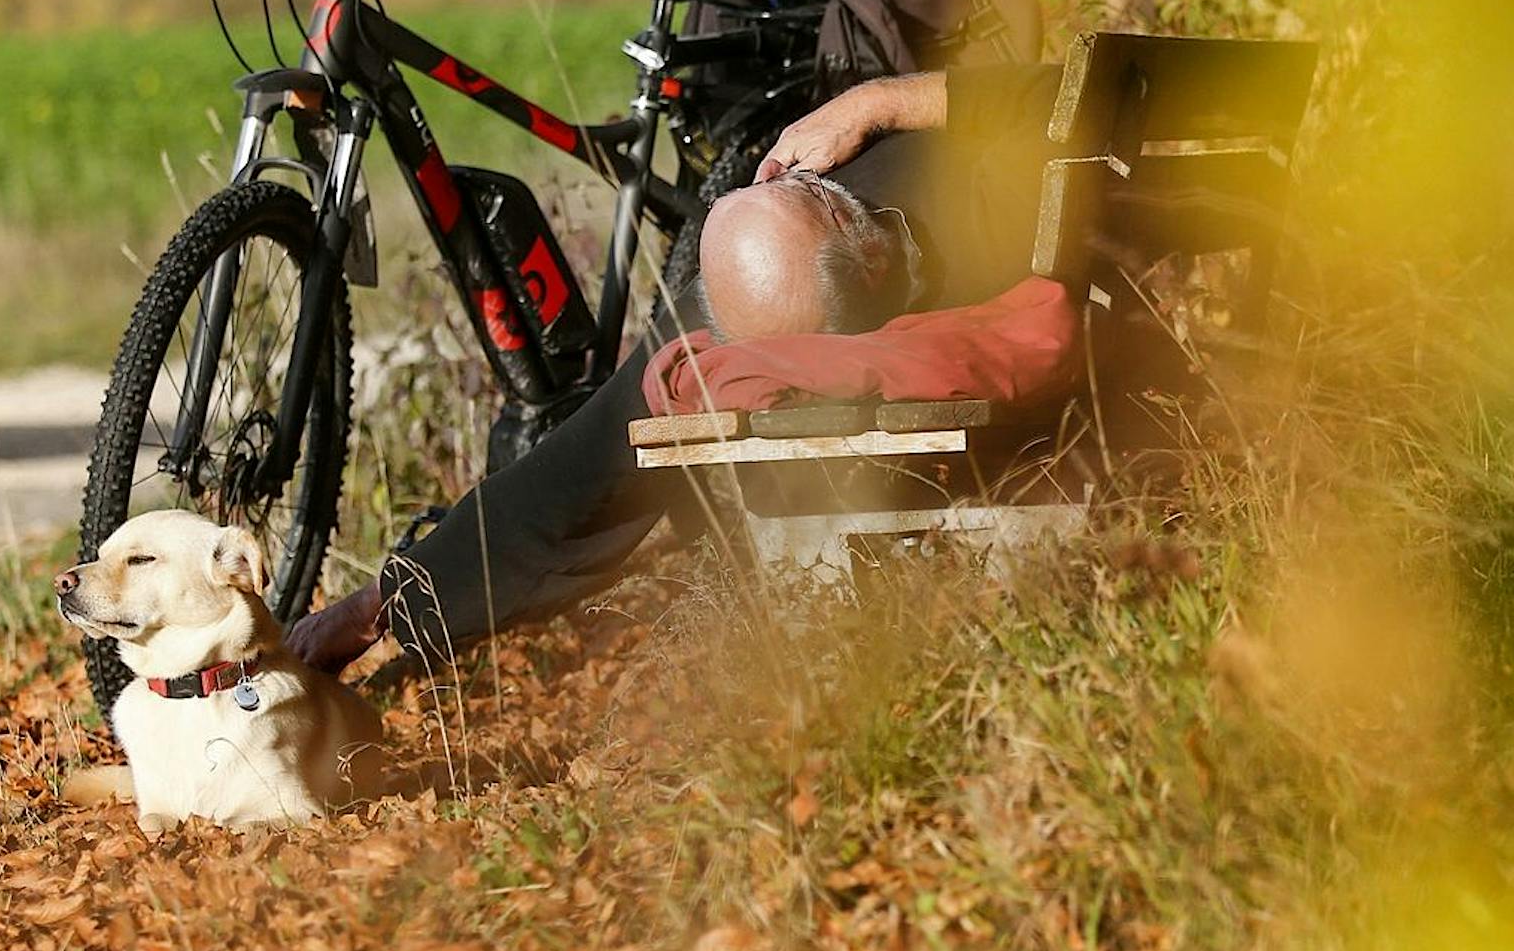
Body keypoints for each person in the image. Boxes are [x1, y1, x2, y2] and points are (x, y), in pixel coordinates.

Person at [288, 60, 1062, 675]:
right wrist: (377, 603)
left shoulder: (983, 194)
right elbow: (564, 480)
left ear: (850, 238)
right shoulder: (761, 290)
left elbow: (569, 486)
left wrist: (874, 101)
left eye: (782, 184)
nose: (771, 169)